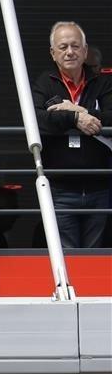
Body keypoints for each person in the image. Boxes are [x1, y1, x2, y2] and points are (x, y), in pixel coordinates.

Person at [32, 21, 111, 249]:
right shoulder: (45, 83)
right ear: (53, 53)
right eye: (63, 46)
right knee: (66, 256)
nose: (70, 52)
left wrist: (79, 110)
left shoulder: (102, 83)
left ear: (85, 51)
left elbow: (111, 116)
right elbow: (38, 120)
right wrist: (74, 119)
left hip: (99, 187)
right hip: (61, 189)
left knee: (96, 256)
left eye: (75, 46)